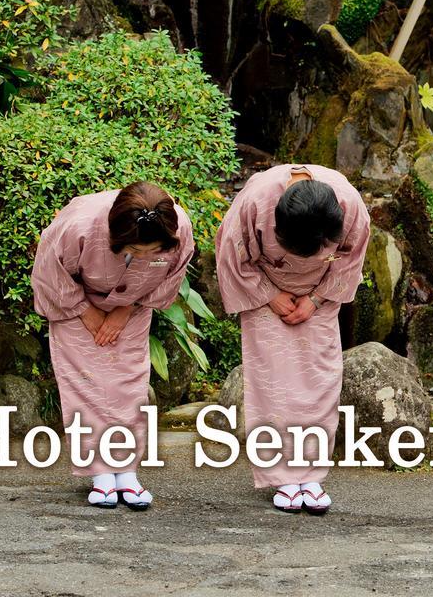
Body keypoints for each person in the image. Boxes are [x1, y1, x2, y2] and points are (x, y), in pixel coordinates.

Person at [214, 164, 369, 515]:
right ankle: (282, 476)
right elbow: (234, 255)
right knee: (273, 382)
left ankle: (311, 474)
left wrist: (316, 299)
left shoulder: (348, 202)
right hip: (264, 292)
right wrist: (270, 295)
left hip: (321, 293)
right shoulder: (255, 201)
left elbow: (351, 258)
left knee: (320, 378)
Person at [31, 181, 195, 510]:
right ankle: (101, 474)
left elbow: (171, 275)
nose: (145, 256)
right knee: (85, 383)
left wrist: (124, 311)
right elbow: (49, 272)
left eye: (153, 252)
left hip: (134, 304)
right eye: (135, 250)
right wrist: (86, 312)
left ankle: (127, 471)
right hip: (74, 304)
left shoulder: (179, 228)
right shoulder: (78, 225)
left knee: (128, 383)